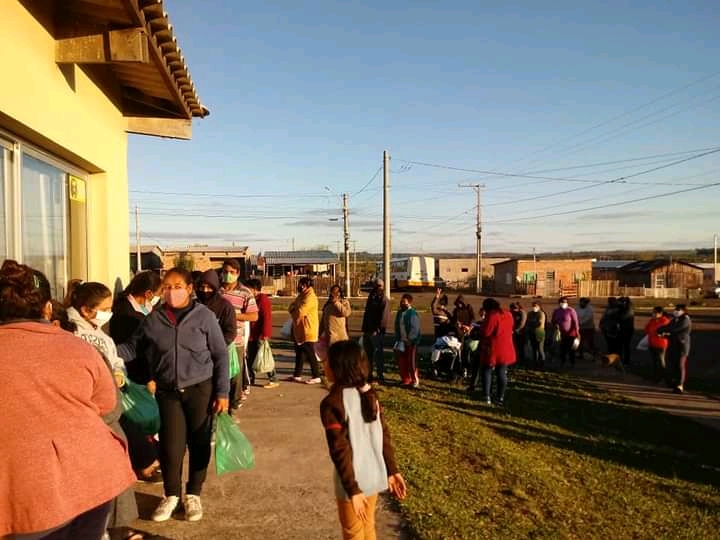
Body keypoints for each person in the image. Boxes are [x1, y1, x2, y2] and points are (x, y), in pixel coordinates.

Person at [0, 260, 135, 539]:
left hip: (24, 494)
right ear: (48, 307)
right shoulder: (80, 349)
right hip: (90, 479)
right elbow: (109, 408)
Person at [118, 267, 229, 523]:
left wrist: (222, 391)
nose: (171, 291)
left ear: (189, 289)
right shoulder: (153, 319)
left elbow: (220, 354)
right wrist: (98, 346)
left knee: (199, 443)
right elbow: (131, 348)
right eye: (166, 287)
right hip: (168, 393)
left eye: (177, 286)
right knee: (171, 447)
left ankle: (193, 493)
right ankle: (171, 495)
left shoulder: (204, 317)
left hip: (200, 389)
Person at [320, 340, 407, 540]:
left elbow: (339, 450)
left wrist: (352, 489)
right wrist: (392, 470)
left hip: (353, 482)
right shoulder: (369, 394)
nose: (324, 364)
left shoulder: (332, 403)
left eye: (327, 361)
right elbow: (383, 435)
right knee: (367, 527)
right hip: (373, 475)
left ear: (338, 368)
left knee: (353, 533)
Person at [109, 270, 162, 384]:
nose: (159, 297)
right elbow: (127, 344)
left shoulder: (148, 306)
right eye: (158, 293)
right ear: (148, 293)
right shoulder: (124, 311)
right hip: (132, 368)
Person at [220, 259, 259, 409]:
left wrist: (233, 315)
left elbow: (254, 316)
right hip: (216, 341)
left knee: (235, 377)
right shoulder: (217, 291)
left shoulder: (245, 292)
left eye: (231, 272)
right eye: (225, 272)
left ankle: (234, 407)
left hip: (236, 342)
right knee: (219, 375)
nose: (228, 275)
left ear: (237, 274)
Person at [472, 298, 515, 405]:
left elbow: (486, 332)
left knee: (487, 370)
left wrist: (478, 330)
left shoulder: (492, 315)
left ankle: (487, 396)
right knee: (502, 372)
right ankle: (500, 397)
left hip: (493, 347)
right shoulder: (508, 314)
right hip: (506, 346)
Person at [287, 276, 322, 384]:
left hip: (308, 329)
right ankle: (297, 375)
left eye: (302, 284)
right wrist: (293, 309)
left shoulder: (310, 297)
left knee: (310, 353)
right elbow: (291, 306)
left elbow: (300, 312)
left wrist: (293, 310)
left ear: (307, 285)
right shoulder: (302, 296)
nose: (299, 286)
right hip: (300, 329)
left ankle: (316, 375)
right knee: (300, 352)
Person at [246, 278, 278, 388]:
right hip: (252, 334)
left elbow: (266, 318)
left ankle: (273, 378)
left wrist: (265, 334)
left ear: (254, 289)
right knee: (251, 357)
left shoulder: (263, 300)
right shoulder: (252, 299)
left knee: (264, 356)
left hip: (260, 334)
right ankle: (250, 378)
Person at [360, 279, 391, 384]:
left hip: (376, 332)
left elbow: (384, 318)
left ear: (383, 286)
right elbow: (367, 313)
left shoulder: (384, 300)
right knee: (368, 355)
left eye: (379, 286)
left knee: (378, 355)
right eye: (375, 285)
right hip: (367, 330)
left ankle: (380, 376)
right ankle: (369, 375)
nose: (377, 287)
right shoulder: (371, 297)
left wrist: (378, 329)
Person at [657, 304, 692, 394]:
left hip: (681, 346)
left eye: (678, 310)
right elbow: (668, 327)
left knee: (680, 365)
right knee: (673, 364)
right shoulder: (675, 320)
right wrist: (661, 330)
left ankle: (680, 385)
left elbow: (674, 329)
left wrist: (664, 331)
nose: (676, 311)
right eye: (675, 309)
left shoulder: (685, 320)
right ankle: (674, 382)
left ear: (684, 311)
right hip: (673, 345)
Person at [394, 294, 421, 388]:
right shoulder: (400, 313)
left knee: (411, 362)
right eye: (401, 301)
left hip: (411, 342)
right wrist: (398, 338)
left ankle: (415, 379)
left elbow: (415, 328)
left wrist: (410, 339)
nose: (402, 303)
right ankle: (405, 379)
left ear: (409, 303)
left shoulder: (412, 313)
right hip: (402, 340)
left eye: (404, 302)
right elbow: (397, 326)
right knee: (402, 361)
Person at [551, 297, 580, 367]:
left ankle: (572, 362)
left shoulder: (571, 311)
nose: (563, 303)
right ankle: (562, 362)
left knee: (571, 349)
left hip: (570, 333)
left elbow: (575, 322)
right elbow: (553, 320)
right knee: (562, 349)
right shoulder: (556, 311)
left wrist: (577, 332)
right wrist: (555, 325)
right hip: (561, 333)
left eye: (564, 302)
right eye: (561, 302)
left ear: (567, 303)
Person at [644, 307, 670, 383]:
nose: (653, 314)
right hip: (652, 343)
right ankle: (656, 376)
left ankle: (663, 377)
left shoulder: (665, 321)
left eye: (655, 313)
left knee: (661, 361)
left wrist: (656, 332)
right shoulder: (652, 320)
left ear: (660, 313)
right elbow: (647, 329)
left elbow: (663, 331)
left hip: (660, 344)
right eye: (653, 312)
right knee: (654, 361)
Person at [525, 301, 547, 369]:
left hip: (539, 332)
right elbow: (527, 322)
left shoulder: (541, 313)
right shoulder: (530, 313)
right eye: (533, 306)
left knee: (540, 348)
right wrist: (532, 323)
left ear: (539, 306)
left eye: (536, 306)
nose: (534, 307)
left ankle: (542, 362)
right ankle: (535, 362)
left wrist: (531, 323)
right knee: (534, 349)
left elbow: (539, 324)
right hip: (532, 332)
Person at [618, 296, 635, 365]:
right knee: (622, 346)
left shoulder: (628, 309)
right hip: (625, 328)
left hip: (627, 329)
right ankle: (622, 359)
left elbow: (623, 317)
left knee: (625, 346)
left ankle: (626, 360)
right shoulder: (625, 308)